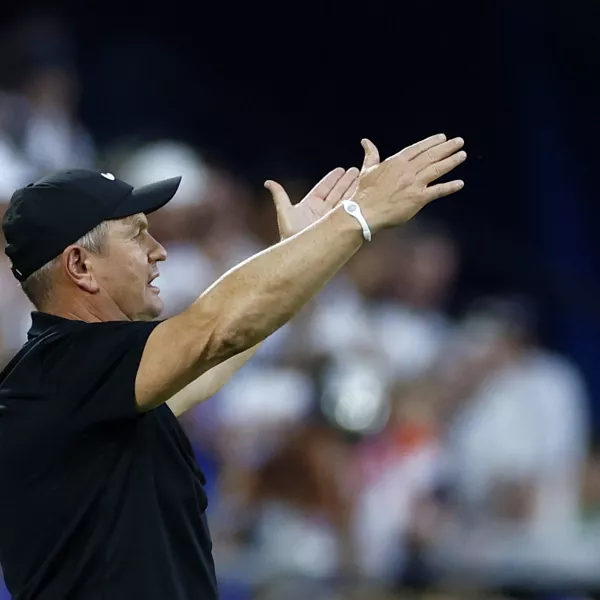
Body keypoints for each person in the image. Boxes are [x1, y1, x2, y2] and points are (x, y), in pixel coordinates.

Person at [0, 134, 466, 599]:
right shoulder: (61, 368)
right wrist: (355, 220)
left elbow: (217, 353)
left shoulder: (83, 382)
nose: (158, 249)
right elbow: (217, 328)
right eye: (137, 233)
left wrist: (304, 251)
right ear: (79, 265)